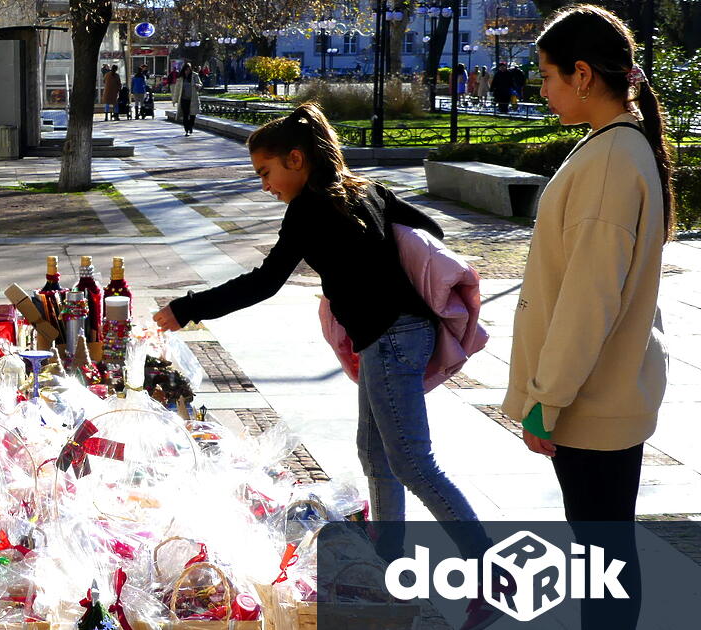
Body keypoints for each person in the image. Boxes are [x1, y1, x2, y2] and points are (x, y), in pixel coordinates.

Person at [151, 102, 501, 629]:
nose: (264, 185)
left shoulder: (311, 210)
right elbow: (426, 228)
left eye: (266, 173)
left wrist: (186, 308)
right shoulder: (363, 190)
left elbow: (264, 282)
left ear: (296, 159)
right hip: (394, 336)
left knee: (411, 461)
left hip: (391, 337)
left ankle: (494, 576)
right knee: (375, 451)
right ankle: (389, 566)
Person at [505, 5, 675, 627]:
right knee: (606, 556)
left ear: (582, 75)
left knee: (602, 563)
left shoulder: (609, 160)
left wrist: (546, 398)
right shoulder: (616, 148)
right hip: (606, 391)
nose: (541, 91)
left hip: (591, 400)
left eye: (546, 76)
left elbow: (589, 297)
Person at [171, 62, 203, 136]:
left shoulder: (195, 75)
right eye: (186, 70)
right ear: (183, 70)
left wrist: (198, 85)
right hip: (184, 99)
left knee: (192, 115)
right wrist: (175, 100)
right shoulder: (181, 78)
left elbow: (200, 84)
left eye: (189, 70)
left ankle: (190, 126)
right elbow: (177, 89)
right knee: (185, 115)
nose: (187, 71)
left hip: (192, 99)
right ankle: (186, 129)